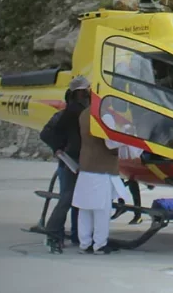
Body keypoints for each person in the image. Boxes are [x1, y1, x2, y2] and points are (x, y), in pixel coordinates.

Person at [73, 100, 132, 255]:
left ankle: (84, 243)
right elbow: (111, 143)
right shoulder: (105, 115)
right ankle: (100, 244)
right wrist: (126, 133)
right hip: (102, 170)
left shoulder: (84, 113)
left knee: (85, 209)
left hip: (86, 167)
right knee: (102, 210)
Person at [39, 76, 90, 253]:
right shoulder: (70, 113)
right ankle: (53, 233)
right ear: (79, 93)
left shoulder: (80, 112)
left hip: (78, 161)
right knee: (67, 198)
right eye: (86, 91)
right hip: (70, 162)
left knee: (78, 200)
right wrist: (59, 149)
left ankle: (77, 234)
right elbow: (46, 134)